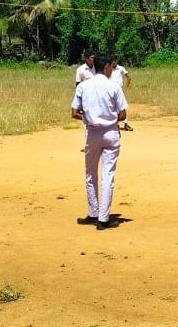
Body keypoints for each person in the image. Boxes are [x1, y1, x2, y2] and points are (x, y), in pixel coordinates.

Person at [71, 52, 128, 230]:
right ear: (106, 67)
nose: (112, 69)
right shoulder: (114, 87)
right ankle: (103, 218)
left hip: (92, 133)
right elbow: (123, 114)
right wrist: (109, 118)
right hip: (110, 132)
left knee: (90, 174)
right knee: (108, 175)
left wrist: (89, 118)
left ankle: (93, 212)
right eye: (111, 66)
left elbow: (74, 112)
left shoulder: (84, 86)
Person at [111, 56, 133, 131]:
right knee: (112, 107)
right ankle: (115, 124)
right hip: (110, 90)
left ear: (117, 61)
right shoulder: (109, 68)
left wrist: (125, 88)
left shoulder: (121, 68)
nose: (113, 62)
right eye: (112, 61)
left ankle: (125, 124)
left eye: (114, 61)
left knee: (122, 107)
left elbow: (129, 78)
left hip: (119, 90)